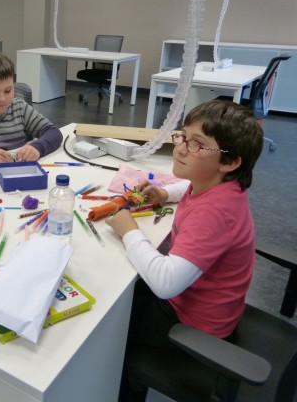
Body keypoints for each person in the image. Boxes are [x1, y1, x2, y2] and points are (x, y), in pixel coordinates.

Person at [105, 100, 264, 401]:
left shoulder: (214, 212)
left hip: (191, 324)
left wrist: (129, 231)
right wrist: (164, 193)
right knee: (123, 290)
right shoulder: (220, 186)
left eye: (196, 144)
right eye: (183, 137)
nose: (179, 149)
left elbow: (165, 283)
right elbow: (188, 187)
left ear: (230, 162)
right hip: (202, 305)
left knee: (105, 327)